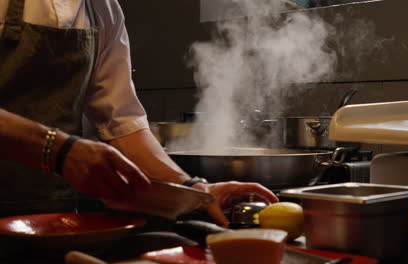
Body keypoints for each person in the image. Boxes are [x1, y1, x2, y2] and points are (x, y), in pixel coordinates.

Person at [0, 0, 278, 227]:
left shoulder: (102, 8)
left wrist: (196, 191)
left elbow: (124, 128)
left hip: (53, 219)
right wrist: (58, 149)